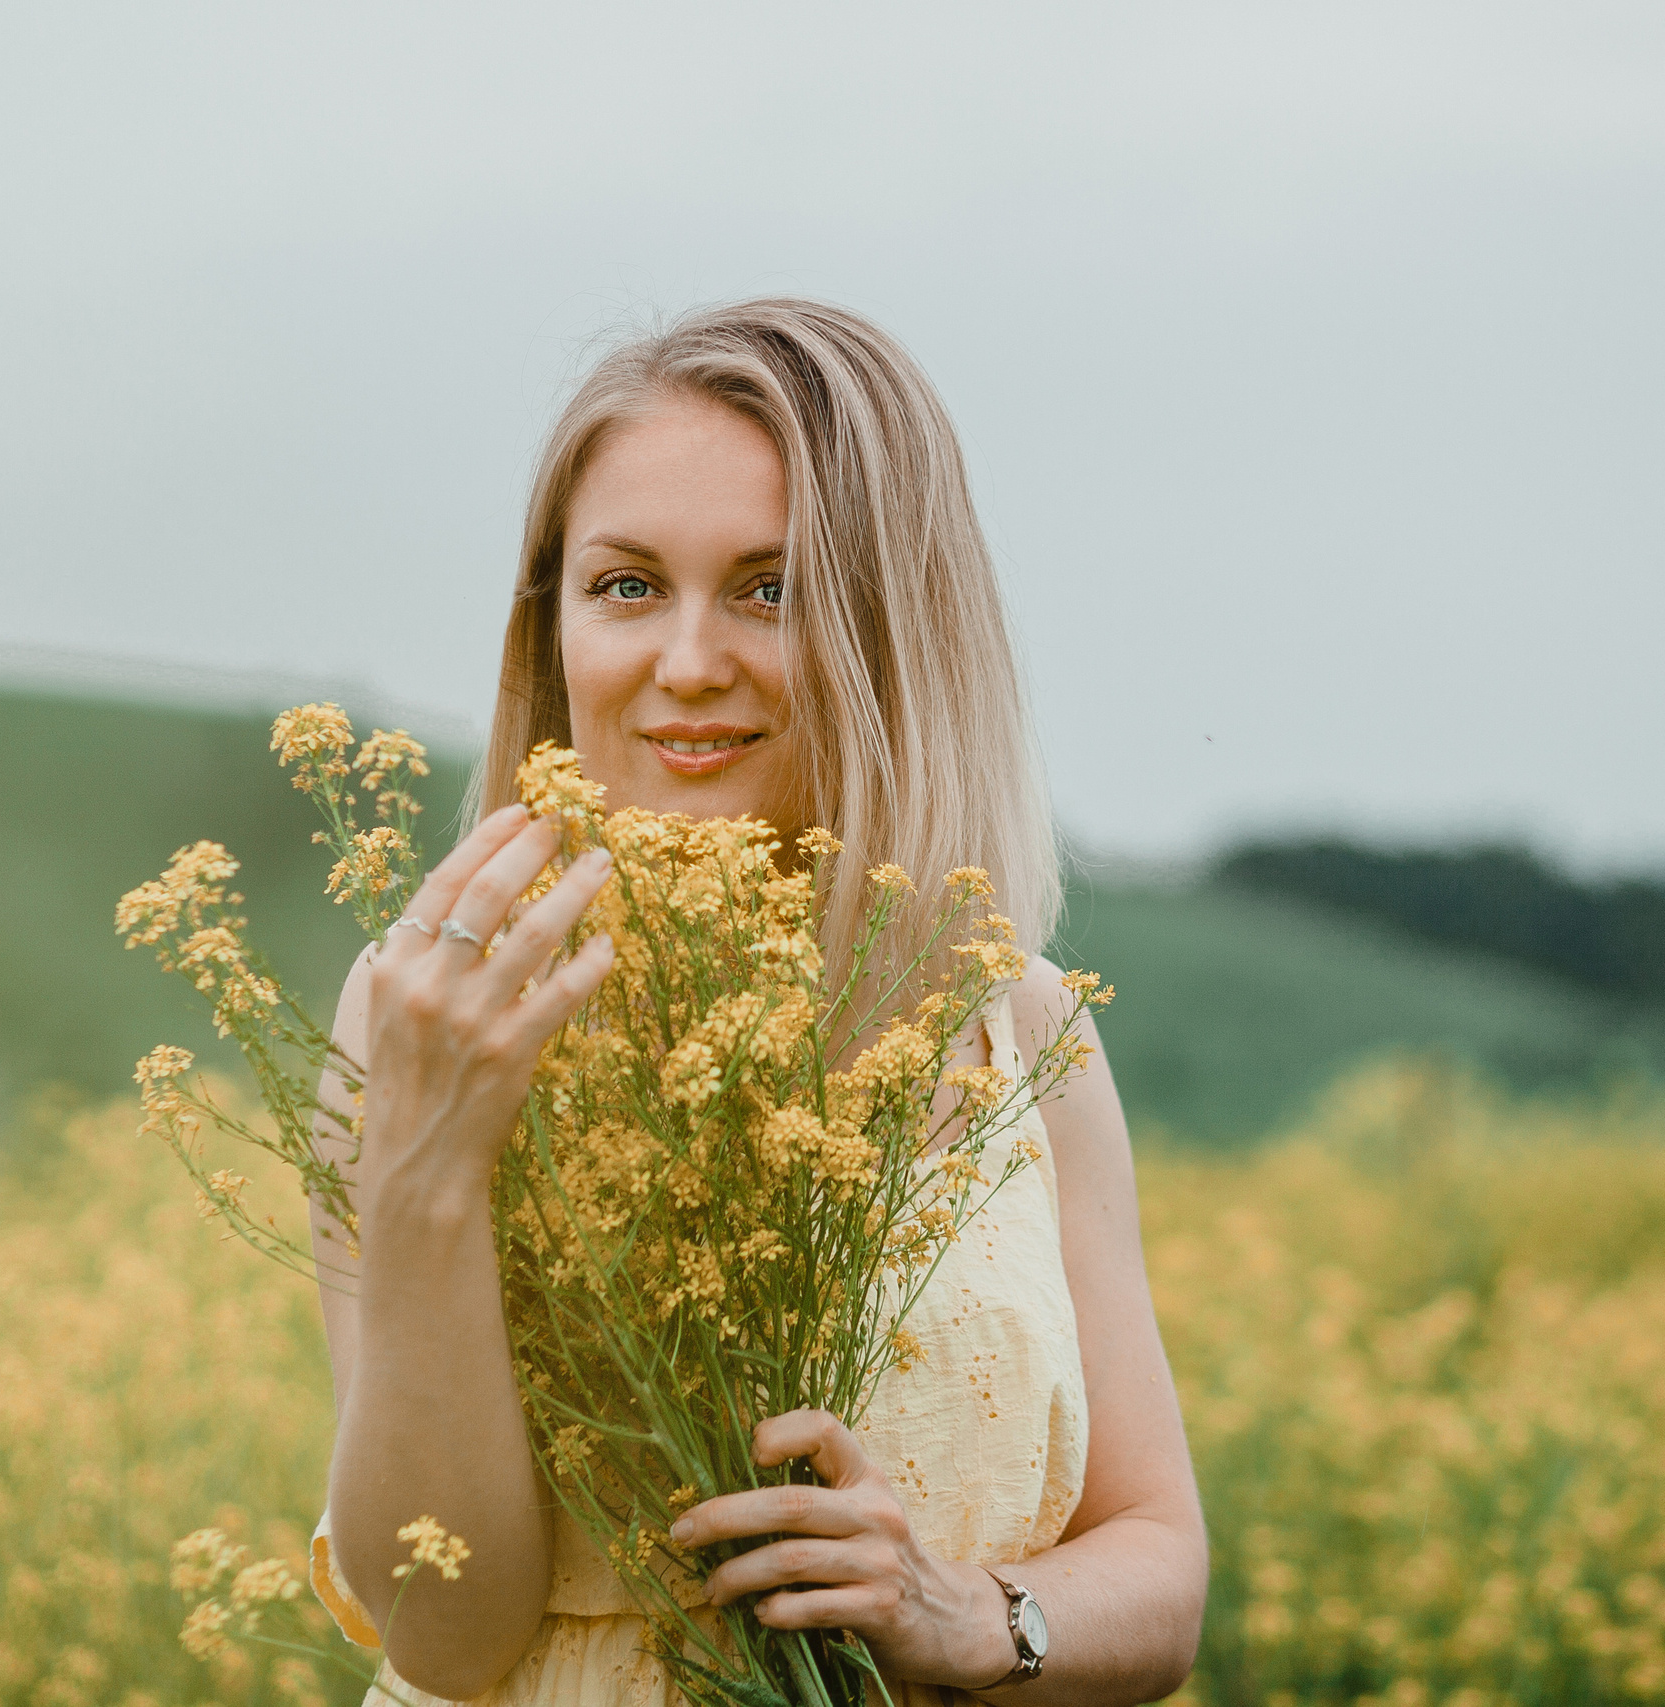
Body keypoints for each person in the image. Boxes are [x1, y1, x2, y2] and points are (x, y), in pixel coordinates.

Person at [305, 300, 1208, 1706]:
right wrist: (426, 1178)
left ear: (893, 630)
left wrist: (971, 1612)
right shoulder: (436, 1009)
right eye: (623, 586)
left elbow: (1160, 1559)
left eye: (769, 590)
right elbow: (446, 1634)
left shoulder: (1015, 1024)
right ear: (551, 625)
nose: (685, 663)